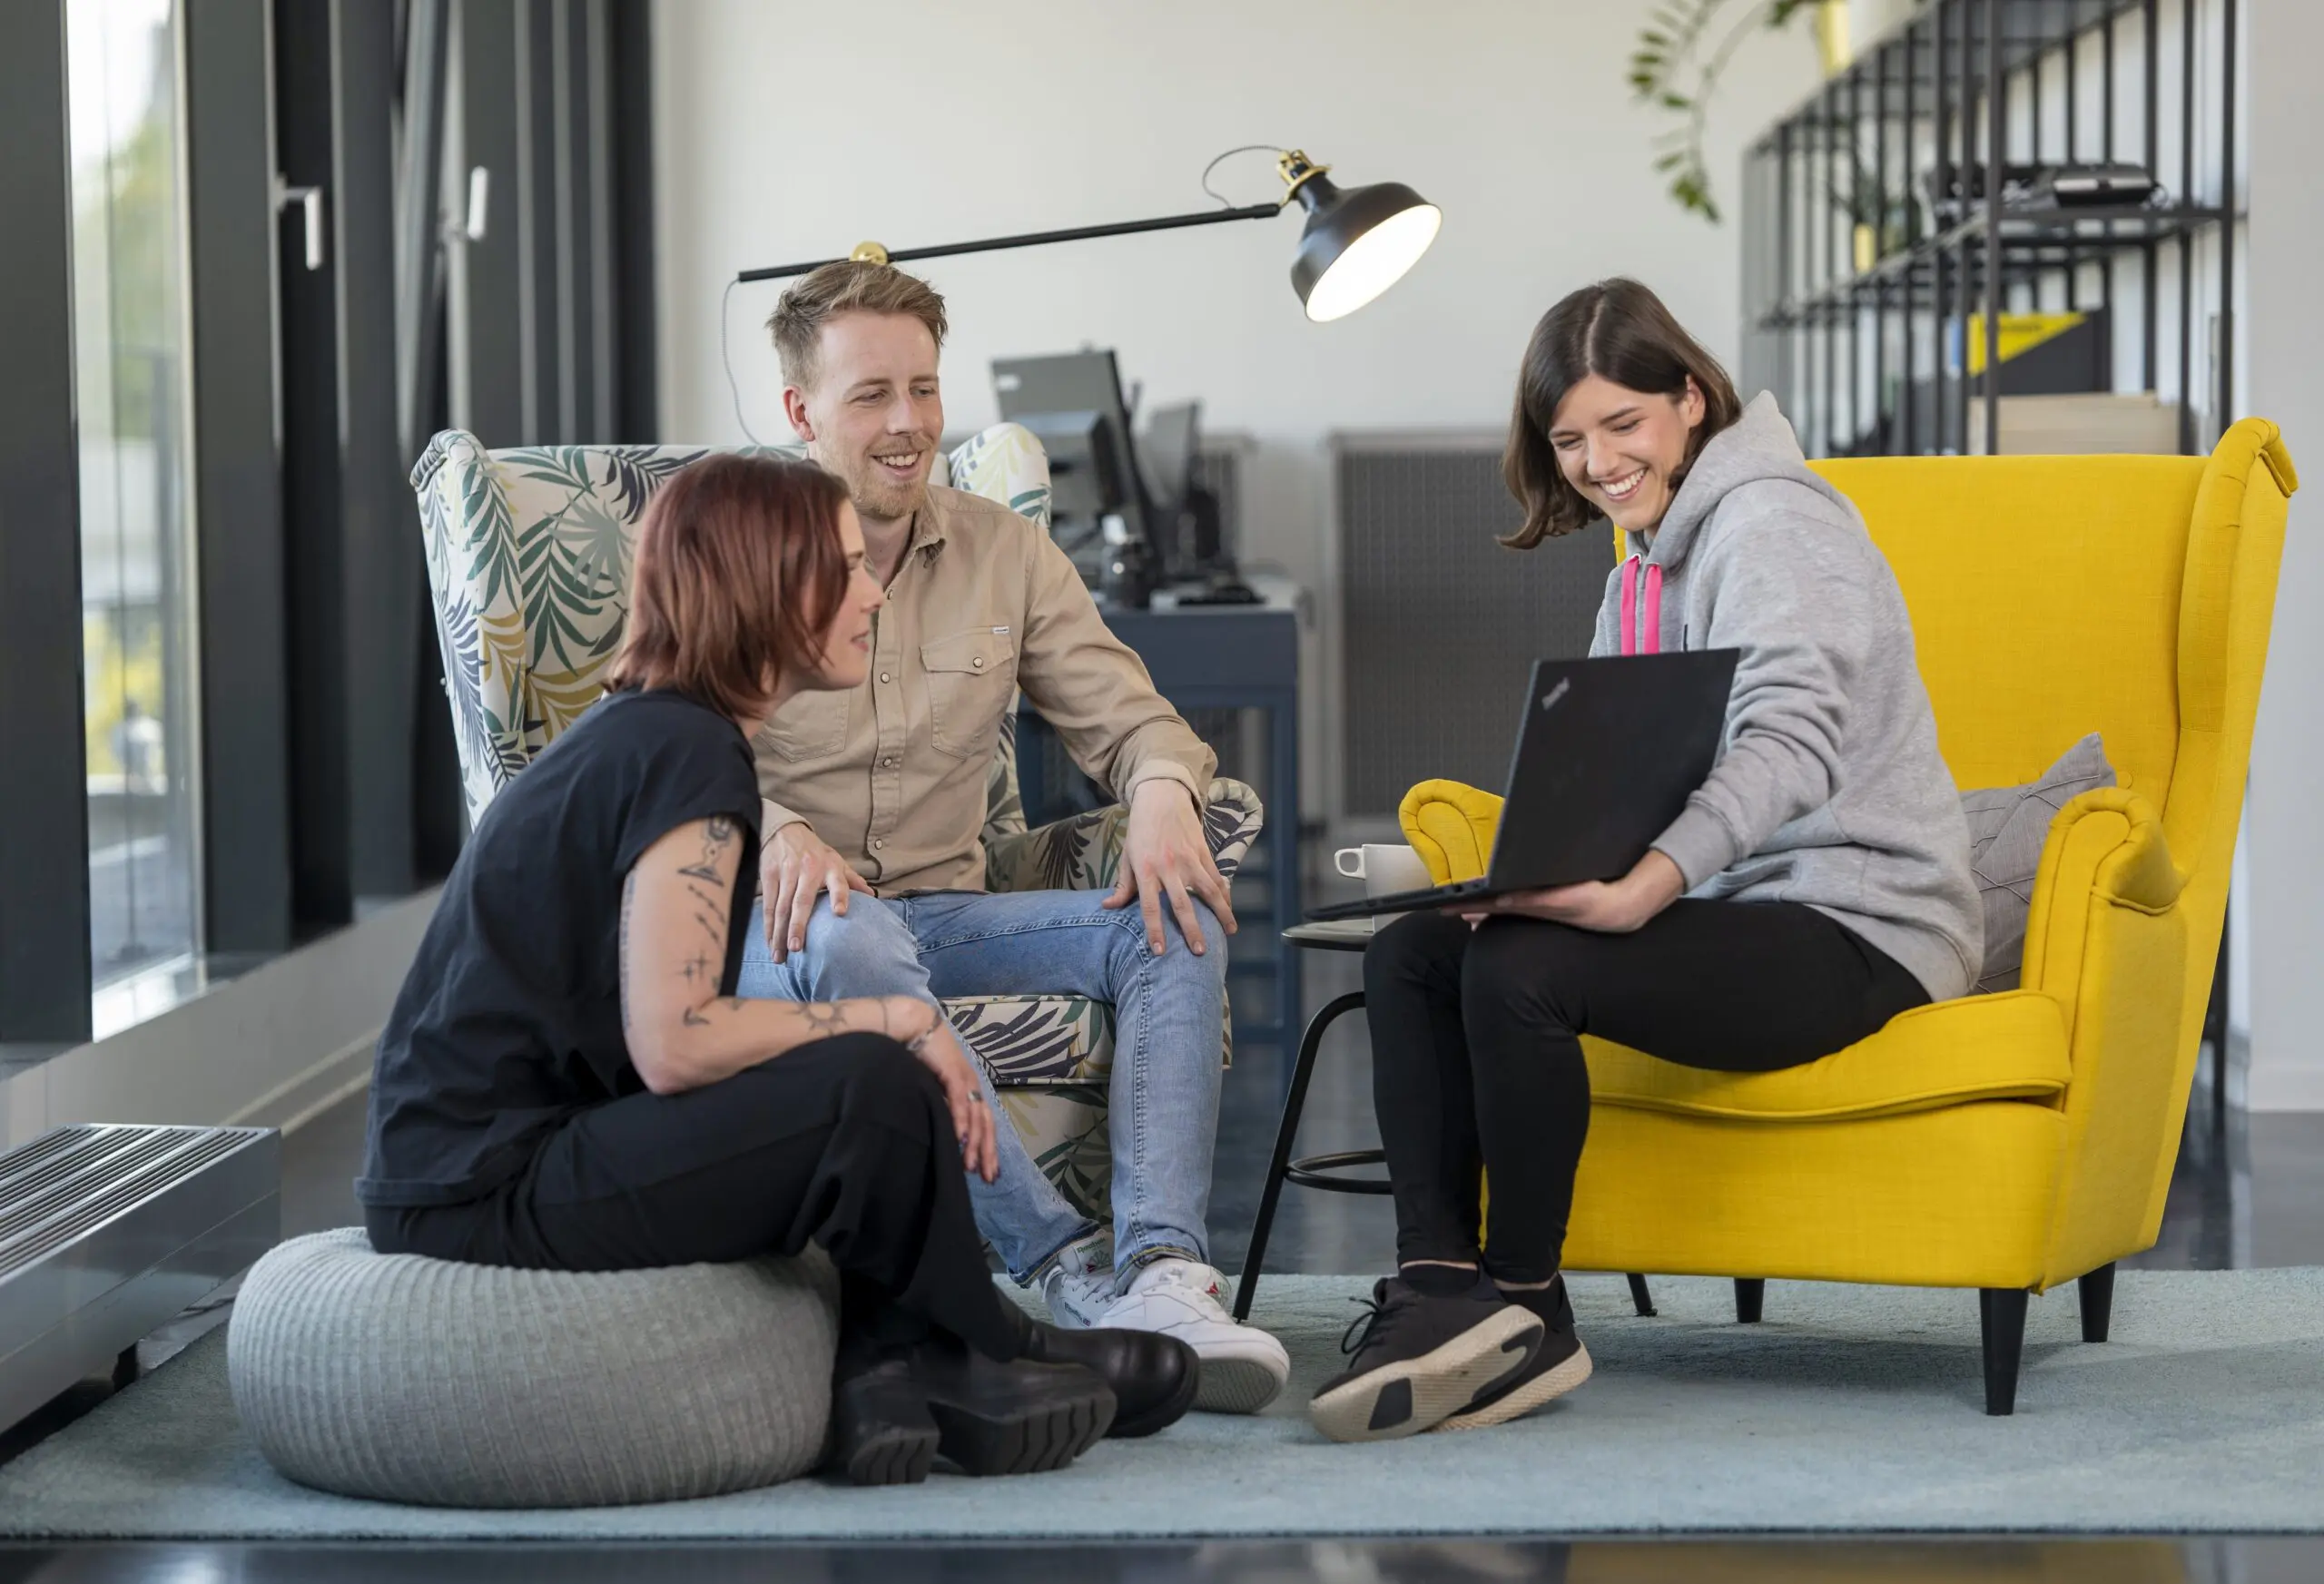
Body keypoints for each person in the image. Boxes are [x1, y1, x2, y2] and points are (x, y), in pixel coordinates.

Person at [357, 454, 1196, 1486]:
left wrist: (888, 1031)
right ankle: (984, 1344)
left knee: (865, 1083)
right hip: (482, 1186)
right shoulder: (686, 752)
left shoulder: (658, 733)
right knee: (873, 1076)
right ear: (766, 587)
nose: (874, 593)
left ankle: (899, 1361)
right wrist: (897, 1020)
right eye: (843, 571)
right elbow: (677, 1041)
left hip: (496, 1159)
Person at [1310, 279, 1982, 1444]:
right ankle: (1434, 1289)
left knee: (1522, 970)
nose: (1597, 460)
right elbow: (1617, 759)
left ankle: (1525, 1308)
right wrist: (1532, 869)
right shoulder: (1641, 556)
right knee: (1417, 947)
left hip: (1860, 923)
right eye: (1569, 439)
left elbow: (1790, 739)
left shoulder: (1773, 523)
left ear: (1690, 397)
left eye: (1622, 424)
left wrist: (1645, 883)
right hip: (1742, 908)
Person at [731, 261, 1291, 1412]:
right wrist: (770, 828)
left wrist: (1160, 794)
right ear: (800, 412)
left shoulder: (1004, 551)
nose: (908, 425)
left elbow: (1136, 722)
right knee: (852, 946)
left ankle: (1162, 1270)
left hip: (942, 914)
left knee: (1169, 918)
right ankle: (1063, 1268)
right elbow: (647, 746)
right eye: (871, 394)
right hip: (785, 930)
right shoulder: (732, 541)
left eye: (925, 390)